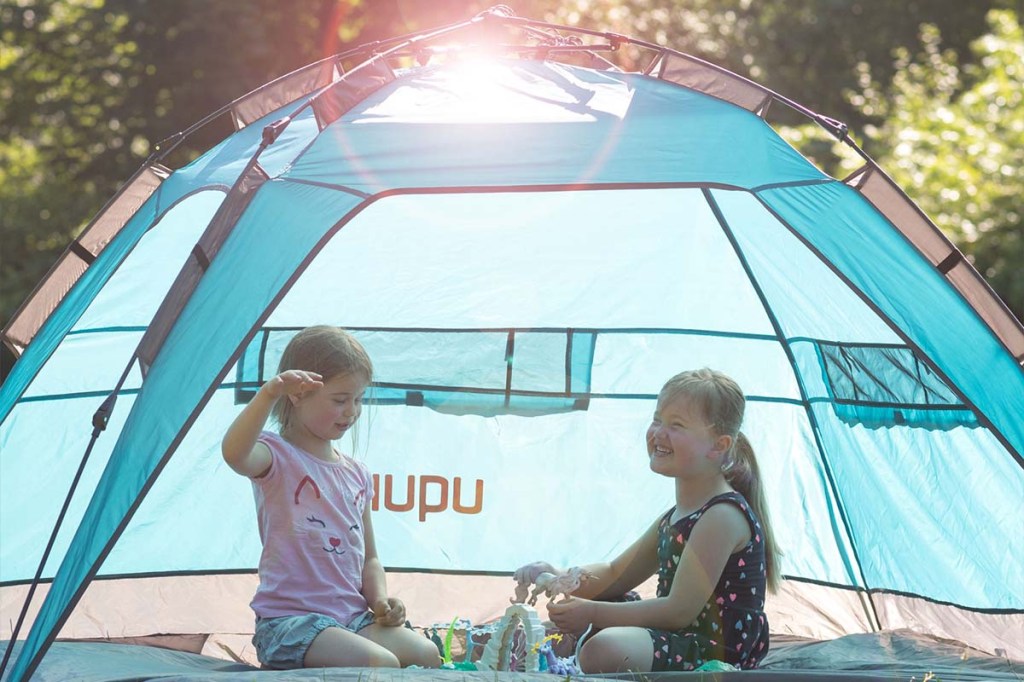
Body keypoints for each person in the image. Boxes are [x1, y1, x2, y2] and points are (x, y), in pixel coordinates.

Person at [514, 368, 780, 672]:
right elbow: (616, 572)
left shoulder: (721, 515)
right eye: (657, 420)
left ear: (718, 446)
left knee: (604, 648)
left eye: (676, 425)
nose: (658, 433)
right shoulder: (675, 517)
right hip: (676, 635)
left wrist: (592, 614)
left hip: (710, 648)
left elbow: (678, 611)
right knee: (547, 635)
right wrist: (561, 576)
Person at [221, 325, 441, 670]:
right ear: (296, 395)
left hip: (352, 619)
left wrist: (381, 601)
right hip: (291, 623)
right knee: (378, 662)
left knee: (427, 655)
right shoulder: (275, 455)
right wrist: (269, 392)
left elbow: (369, 558)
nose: (351, 410)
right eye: (340, 400)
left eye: (357, 399)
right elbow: (235, 454)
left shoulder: (357, 474)